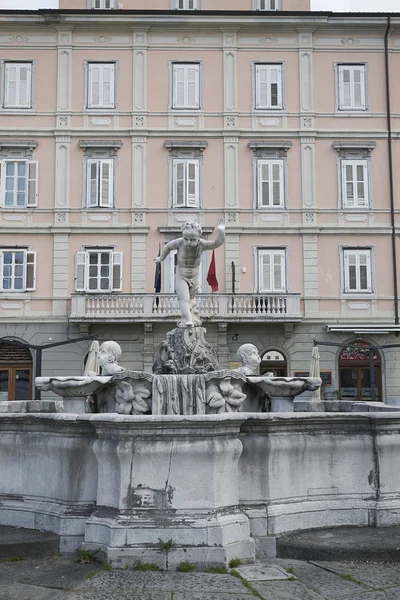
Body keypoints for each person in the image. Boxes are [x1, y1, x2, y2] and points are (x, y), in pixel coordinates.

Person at [155, 221, 225, 327]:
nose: (188, 243)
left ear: (198, 237)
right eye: (186, 239)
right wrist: (161, 258)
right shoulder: (179, 242)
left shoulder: (202, 244)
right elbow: (168, 247)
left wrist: (221, 232)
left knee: (191, 299)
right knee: (184, 298)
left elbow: (217, 243)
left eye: (192, 240)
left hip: (195, 275)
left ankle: (190, 316)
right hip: (181, 275)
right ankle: (189, 319)